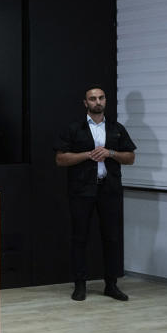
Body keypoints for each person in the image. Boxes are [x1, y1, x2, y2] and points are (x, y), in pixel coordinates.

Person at [55, 86, 136, 302]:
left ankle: (111, 284)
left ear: (105, 101)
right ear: (85, 103)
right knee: (80, 237)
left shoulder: (116, 128)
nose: (97, 102)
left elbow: (130, 157)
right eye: (92, 99)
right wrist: (87, 155)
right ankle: (80, 285)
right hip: (82, 190)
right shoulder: (74, 129)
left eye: (100, 98)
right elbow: (60, 159)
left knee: (112, 237)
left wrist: (110, 152)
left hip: (109, 190)